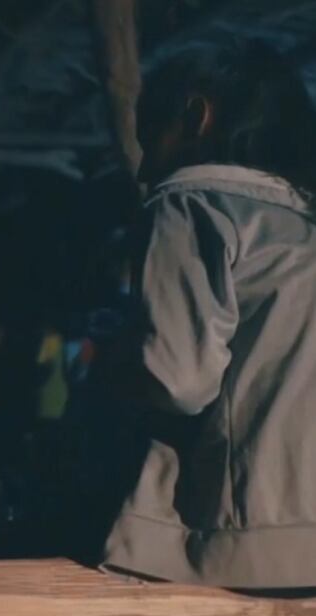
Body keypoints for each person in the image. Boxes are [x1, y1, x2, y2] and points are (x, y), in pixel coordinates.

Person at [102, 40, 316, 587]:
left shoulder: (194, 202)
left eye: (150, 136)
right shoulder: (302, 227)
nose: (147, 166)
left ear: (197, 116)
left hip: (237, 543)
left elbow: (178, 380)